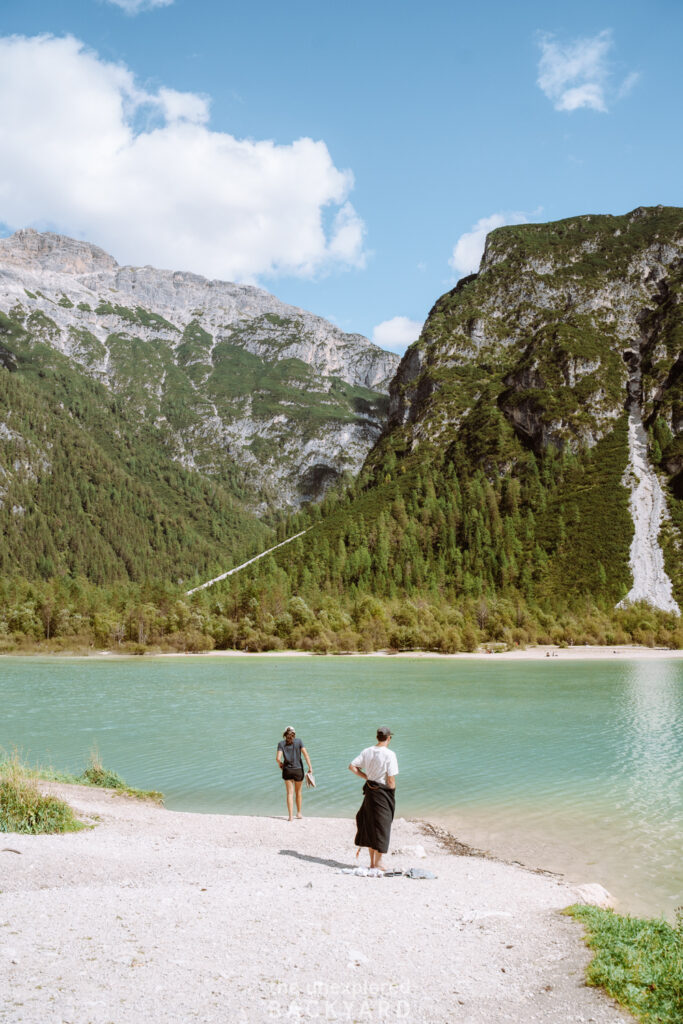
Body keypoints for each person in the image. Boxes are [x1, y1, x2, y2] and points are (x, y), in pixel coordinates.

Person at [348, 727, 398, 871]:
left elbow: (352, 767)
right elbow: (391, 779)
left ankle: (372, 862)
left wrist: (366, 777)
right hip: (383, 792)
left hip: (370, 790)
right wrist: (392, 793)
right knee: (383, 825)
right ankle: (379, 862)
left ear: (377, 737)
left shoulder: (367, 751)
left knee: (370, 824)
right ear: (389, 738)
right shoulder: (390, 754)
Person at [276, 726, 313, 821]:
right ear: (294, 734)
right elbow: (306, 755)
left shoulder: (281, 744)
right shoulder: (299, 742)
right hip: (298, 770)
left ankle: (290, 817)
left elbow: (278, 758)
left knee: (289, 793)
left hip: (287, 770)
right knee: (298, 792)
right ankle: (299, 813)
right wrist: (310, 768)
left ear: (285, 734)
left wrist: (280, 765)